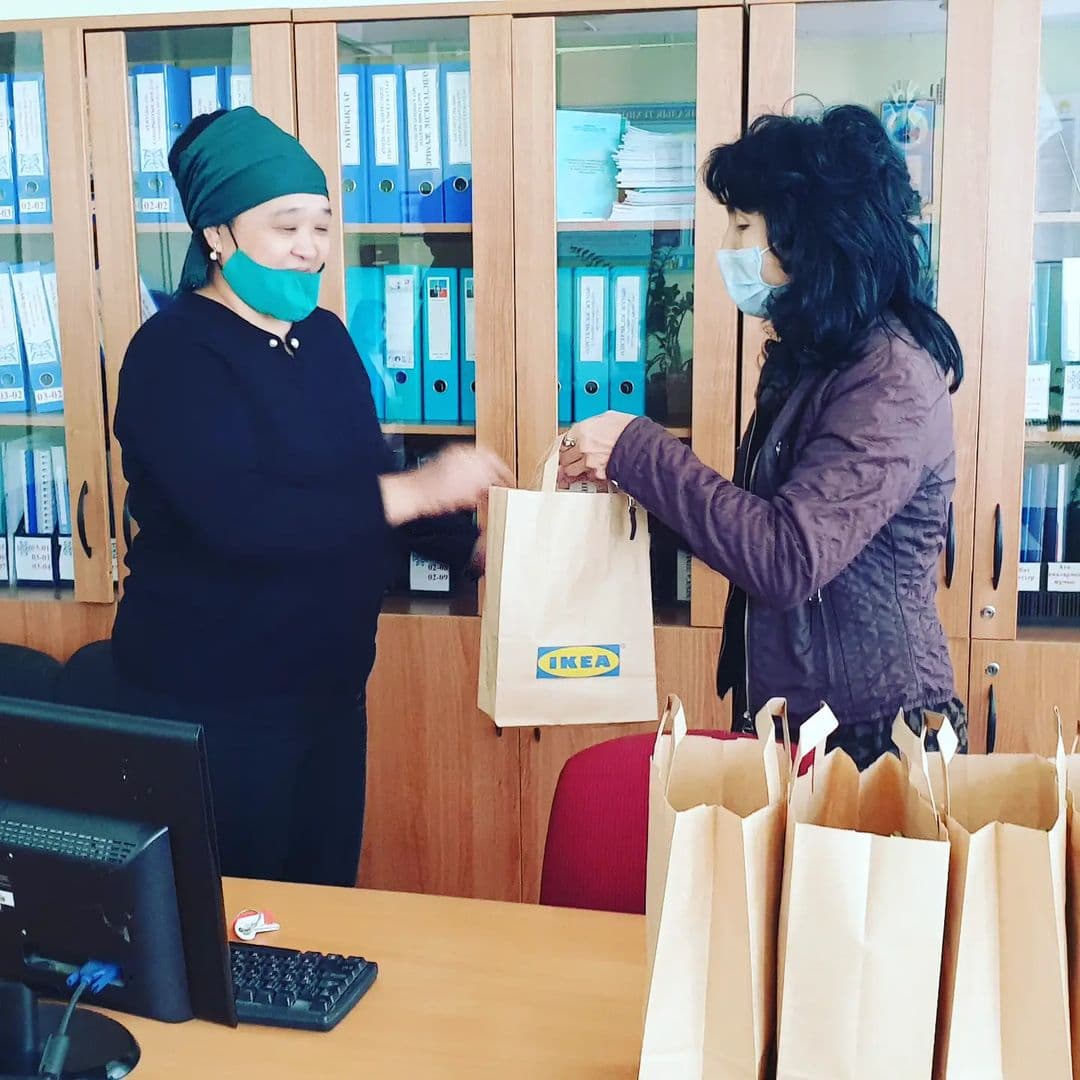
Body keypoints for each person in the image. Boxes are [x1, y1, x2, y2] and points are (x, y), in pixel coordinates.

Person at [108, 107, 512, 885]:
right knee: (236, 922)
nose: (311, 247)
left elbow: (363, 476)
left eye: (322, 226)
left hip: (327, 692)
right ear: (217, 234)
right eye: (286, 226)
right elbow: (240, 519)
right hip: (213, 705)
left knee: (323, 902)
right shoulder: (174, 353)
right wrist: (420, 488)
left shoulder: (323, 337)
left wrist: (471, 546)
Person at [559, 105, 966, 769]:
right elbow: (749, 528)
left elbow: (786, 557)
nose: (727, 246)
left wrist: (638, 448)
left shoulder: (889, 378)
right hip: (795, 715)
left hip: (876, 735)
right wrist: (631, 484)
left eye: (743, 224)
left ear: (810, 234)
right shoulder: (816, 358)